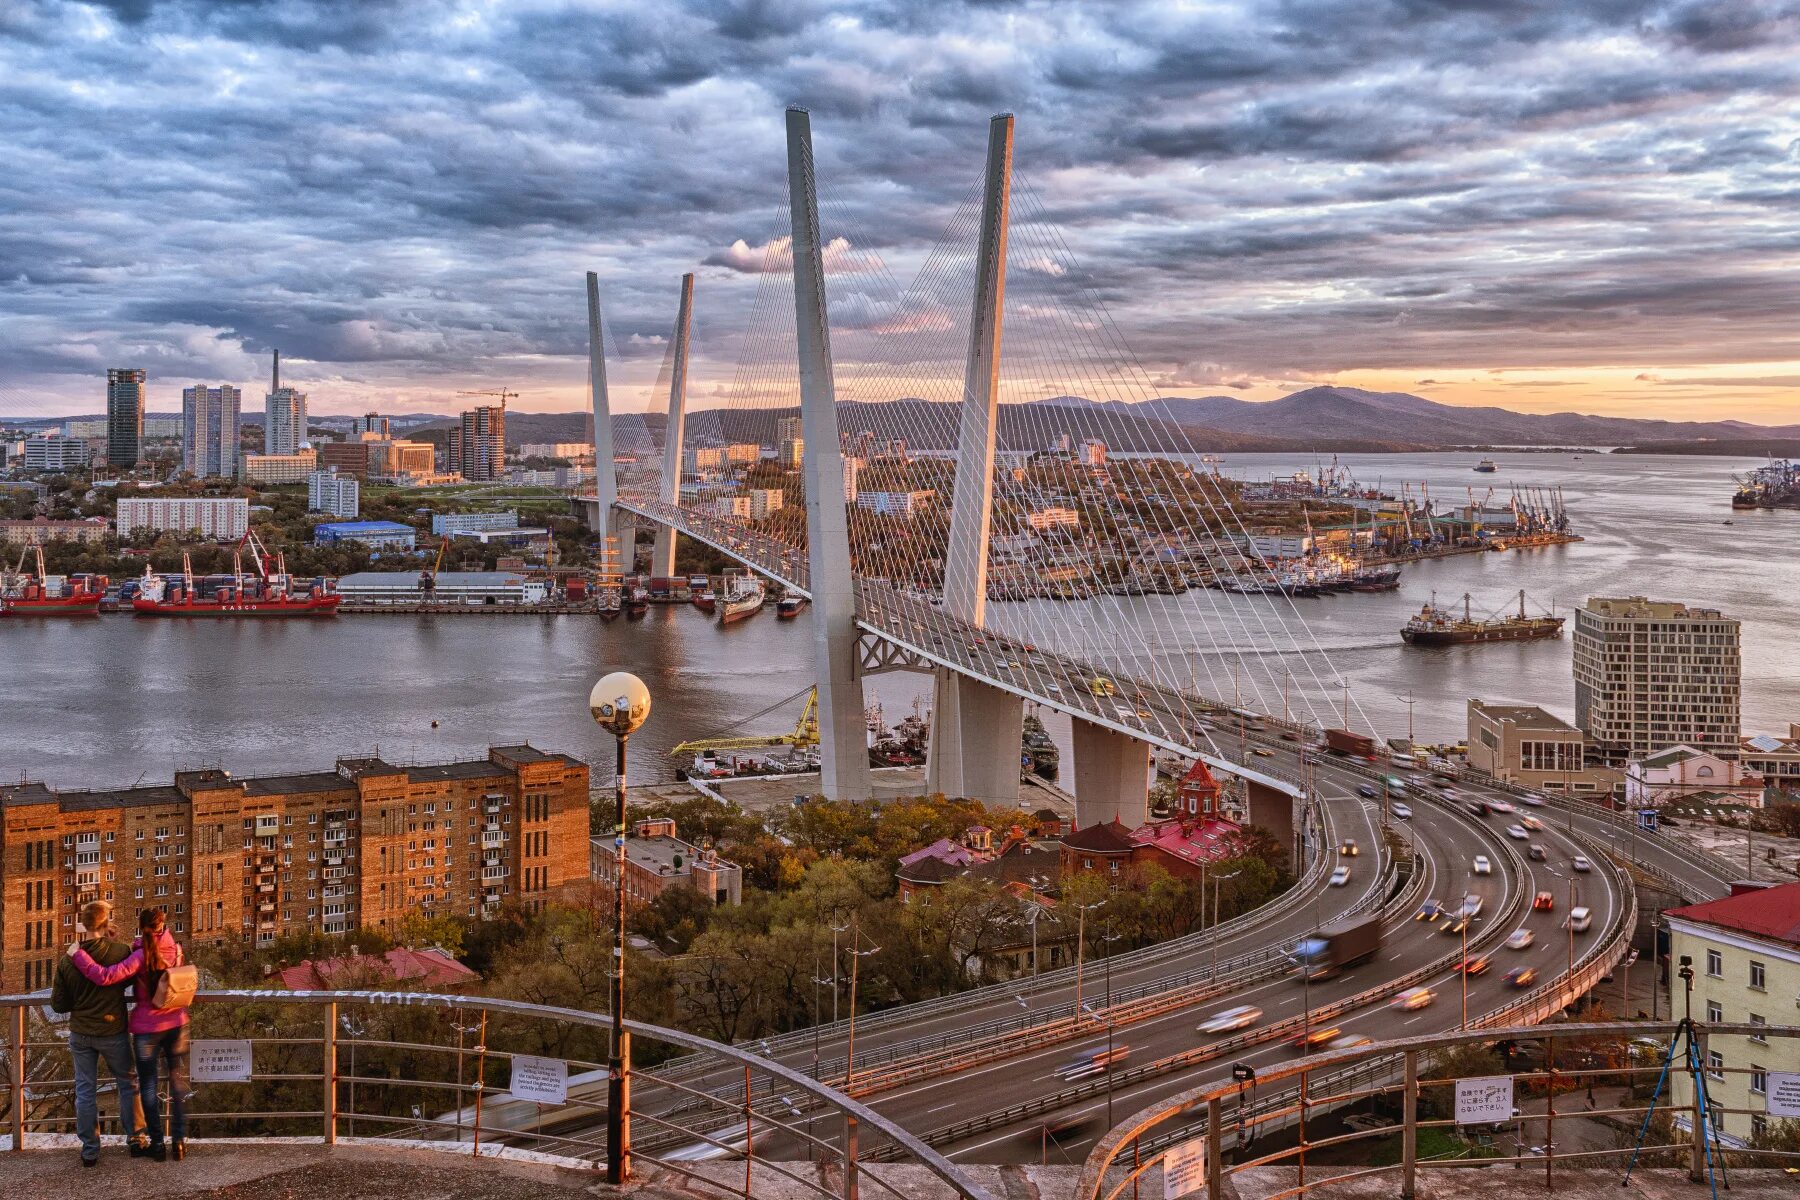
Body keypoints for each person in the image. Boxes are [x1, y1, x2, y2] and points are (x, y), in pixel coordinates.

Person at [67, 907, 191, 1161]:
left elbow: (106, 976)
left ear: (141, 926)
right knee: (177, 1082)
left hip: (147, 1030)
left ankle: (157, 1144)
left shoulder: (139, 955)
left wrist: (78, 955)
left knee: (147, 1086)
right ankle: (178, 1142)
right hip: (176, 1024)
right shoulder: (176, 951)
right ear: (164, 926)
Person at [50, 900, 149, 1167]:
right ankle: (137, 1139)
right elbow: (129, 979)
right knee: (128, 1083)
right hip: (112, 1031)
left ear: (83, 925)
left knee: (85, 1089)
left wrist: (80, 1001)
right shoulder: (119, 951)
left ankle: (90, 1149)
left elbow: (58, 1005)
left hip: (81, 1032)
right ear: (107, 924)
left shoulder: (67, 959)